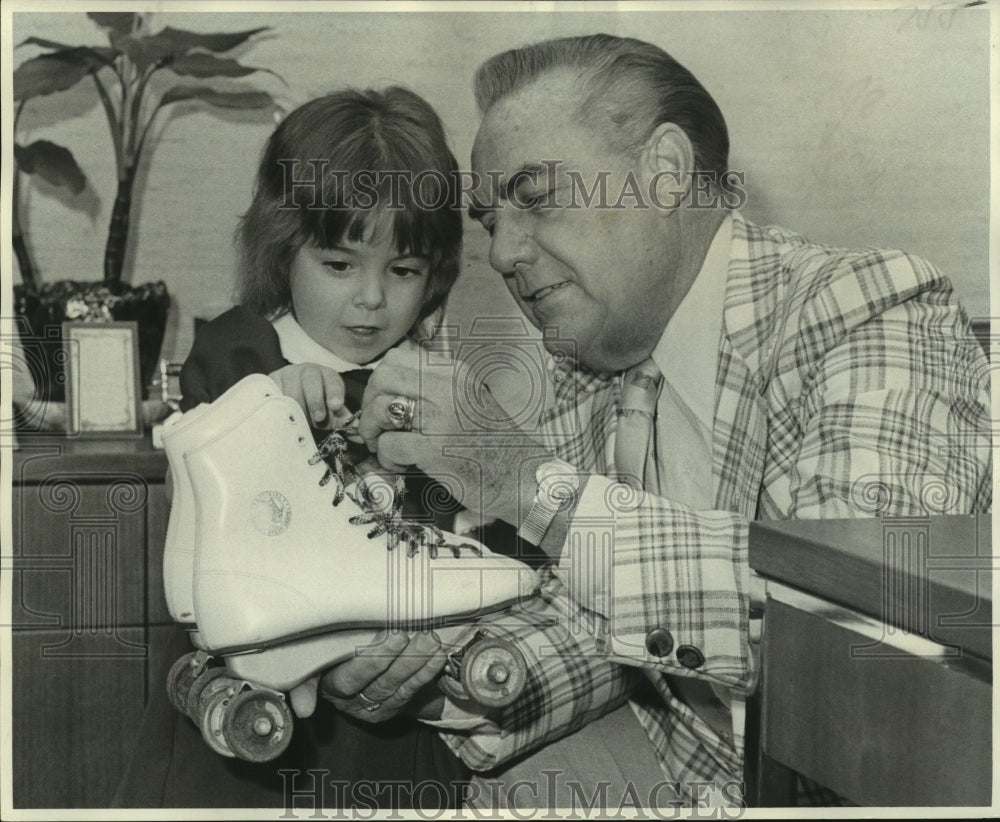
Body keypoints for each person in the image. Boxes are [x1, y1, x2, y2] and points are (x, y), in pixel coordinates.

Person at [301, 34, 992, 809]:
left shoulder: (867, 305)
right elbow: (601, 619)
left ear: (664, 172)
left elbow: (850, 636)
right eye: (491, 219)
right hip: (685, 765)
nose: (502, 252)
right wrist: (444, 670)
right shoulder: (588, 362)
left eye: (534, 197)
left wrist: (521, 479)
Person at [114, 86, 473, 811]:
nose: (372, 300)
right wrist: (270, 397)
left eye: (402, 271)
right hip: (259, 706)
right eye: (340, 266)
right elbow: (214, 447)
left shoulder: (437, 386)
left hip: (395, 707)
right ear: (284, 250)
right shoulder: (240, 349)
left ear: (435, 272)